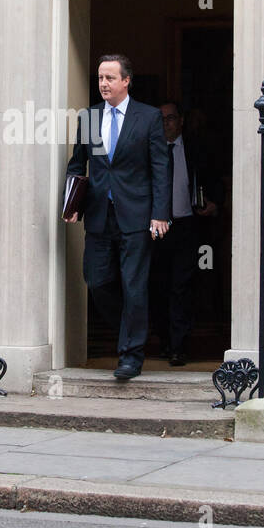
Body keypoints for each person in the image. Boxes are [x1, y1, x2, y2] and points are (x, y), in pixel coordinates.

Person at [63, 55, 170, 380]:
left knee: (134, 285)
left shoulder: (148, 117)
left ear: (126, 81)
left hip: (136, 216)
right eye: (100, 78)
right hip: (98, 215)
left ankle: (130, 357)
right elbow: (76, 164)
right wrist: (70, 203)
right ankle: (132, 327)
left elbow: (160, 168)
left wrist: (160, 213)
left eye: (110, 78)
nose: (103, 84)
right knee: (96, 281)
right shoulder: (90, 117)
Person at [149, 101, 219, 366]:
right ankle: (165, 342)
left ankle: (179, 346)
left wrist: (215, 203)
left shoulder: (195, 149)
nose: (166, 123)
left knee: (182, 287)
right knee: (158, 286)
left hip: (187, 226)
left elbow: (213, 178)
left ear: (181, 122)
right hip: (155, 228)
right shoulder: (150, 149)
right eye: (162, 118)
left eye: (171, 118)